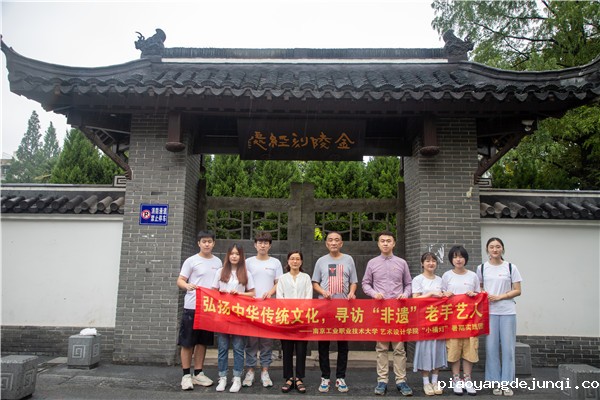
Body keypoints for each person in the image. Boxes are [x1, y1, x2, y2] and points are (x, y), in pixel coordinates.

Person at [362, 230, 414, 396]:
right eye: (382, 241)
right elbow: (365, 284)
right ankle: (382, 380)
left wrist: (405, 294)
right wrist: (373, 293)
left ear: (394, 243)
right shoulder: (372, 263)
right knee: (381, 347)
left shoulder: (402, 263)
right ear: (378, 244)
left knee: (399, 348)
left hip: (398, 310)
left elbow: (409, 284)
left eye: (388, 241)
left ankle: (401, 380)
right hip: (380, 311)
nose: (385, 243)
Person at [312, 231, 358, 393]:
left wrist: (352, 292)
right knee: (323, 344)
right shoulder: (321, 261)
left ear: (341, 243)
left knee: (343, 345)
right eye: (330, 240)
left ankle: (340, 377)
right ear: (326, 243)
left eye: (336, 240)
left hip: (343, 309)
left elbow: (353, 282)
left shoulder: (349, 259)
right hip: (325, 308)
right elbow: (315, 282)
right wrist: (322, 292)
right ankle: (325, 377)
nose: (333, 243)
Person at [176, 230, 222, 390]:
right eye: (204, 241)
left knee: (202, 342)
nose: (207, 244)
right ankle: (186, 375)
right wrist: (187, 285)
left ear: (213, 243)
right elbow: (180, 280)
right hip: (192, 306)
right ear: (199, 243)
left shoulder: (218, 262)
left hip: (208, 308)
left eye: (209, 241)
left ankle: (198, 373)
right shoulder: (191, 261)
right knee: (187, 342)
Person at [477, 237, 522, 397]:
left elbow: (518, 290)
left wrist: (500, 297)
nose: (495, 250)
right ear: (487, 250)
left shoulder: (510, 267)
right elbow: (479, 287)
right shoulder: (482, 268)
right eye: (491, 247)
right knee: (491, 348)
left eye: (498, 247)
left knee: (508, 349)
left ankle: (507, 383)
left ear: (502, 249)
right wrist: (484, 294)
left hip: (508, 311)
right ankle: (494, 382)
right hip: (490, 313)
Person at [211, 244, 256, 393]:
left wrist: (239, 294)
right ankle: (222, 377)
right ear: (228, 255)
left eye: (237, 254)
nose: (234, 256)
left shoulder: (246, 273)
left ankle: (237, 377)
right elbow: (213, 292)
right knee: (223, 347)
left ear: (241, 256)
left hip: (239, 316)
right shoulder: (220, 271)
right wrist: (221, 294)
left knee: (238, 347)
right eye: (232, 253)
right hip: (222, 315)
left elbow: (252, 293)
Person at [243, 231, 283, 388]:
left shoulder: (275, 263)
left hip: (268, 307)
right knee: (251, 341)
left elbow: (279, 282)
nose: (263, 245)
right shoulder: (248, 262)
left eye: (266, 243)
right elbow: (242, 282)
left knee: (267, 341)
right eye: (260, 242)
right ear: (255, 245)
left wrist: (270, 293)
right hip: (251, 306)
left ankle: (265, 371)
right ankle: (250, 371)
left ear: (270, 246)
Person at [441, 245, 480, 396]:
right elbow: (441, 295)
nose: (458, 259)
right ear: (451, 259)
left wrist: (474, 294)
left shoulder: (473, 276)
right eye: (455, 256)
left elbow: (479, 295)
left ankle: (468, 379)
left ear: (466, 259)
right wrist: (445, 294)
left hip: (470, 320)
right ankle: (456, 379)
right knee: (454, 349)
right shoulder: (446, 276)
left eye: (461, 256)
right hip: (453, 320)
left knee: (470, 349)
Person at [276, 250, 313, 394]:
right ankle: (288, 378)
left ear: (301, 261)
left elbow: (308, 297)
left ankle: (299, 378)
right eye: (292, 259)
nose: (295, 261)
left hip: (302, 318)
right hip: (286, 318)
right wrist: (290, 313)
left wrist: (299, 312)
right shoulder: (283, 278)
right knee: (287, 349)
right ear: (288, 261)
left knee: (301, 349)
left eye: (297, 259)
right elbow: (280, 298)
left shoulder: (306, 277)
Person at [412, 252, 447, 396]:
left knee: (438, 349)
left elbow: (445, 297)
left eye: (433, 261)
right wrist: (431, 294)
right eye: (427, 261)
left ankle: (435, 381)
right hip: (424, 320)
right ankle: (426, 382)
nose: (431, 263)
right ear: (422, 263)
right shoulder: (418, 279)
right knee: (425, 350)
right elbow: (415, 299)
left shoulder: (440, 280)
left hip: (438, 320)